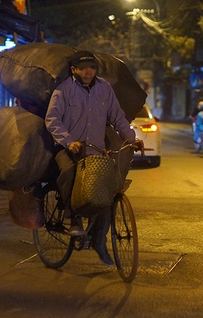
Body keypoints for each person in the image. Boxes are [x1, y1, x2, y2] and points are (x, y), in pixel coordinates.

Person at [45, 50, 142, 266]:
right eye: (84, 68)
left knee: (106, 194)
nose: (88, 72)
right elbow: (52, 120)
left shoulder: (104, 88)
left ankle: (100, 240)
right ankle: (73, 218)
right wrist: (68, 141)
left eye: (92, 67)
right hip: (68, 148)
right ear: (74, 70)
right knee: (69, 172)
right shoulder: (63, 91)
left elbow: (117, 116)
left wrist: (131, 138)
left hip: (95, 151)